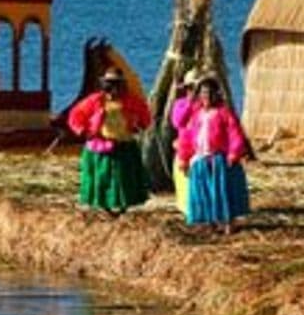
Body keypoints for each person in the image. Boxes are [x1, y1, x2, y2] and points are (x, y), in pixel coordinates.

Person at [66, 66, 152, 214]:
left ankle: (123, 206)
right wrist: (83, 130)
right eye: (110, 84)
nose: (113, 88)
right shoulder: (96, 100)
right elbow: (76, 115)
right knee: (102, 178)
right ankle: (104, 206)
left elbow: (144, 114)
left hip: (124, 144)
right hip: (102, 145)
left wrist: (140, 124)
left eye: (116, 84)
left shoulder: (131, 100)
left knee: (124, 178)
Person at [176, 73, 250, 234]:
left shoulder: (223, 113)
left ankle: (228, 222)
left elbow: (234, 133)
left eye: (209, 93)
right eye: (203, 93)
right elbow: (187, 135)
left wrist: (233, 153)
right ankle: (210, 222)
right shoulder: (196, 114)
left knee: (222, 191)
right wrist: (184, 157)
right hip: (200, 159)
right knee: (204, 191)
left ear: (216, 94)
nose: (206, 96)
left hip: (219, 158)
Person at [170, 67, 202, 213]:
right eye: (190, 87)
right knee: (185, 181)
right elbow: (178, 122)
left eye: (197, 88)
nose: (193, 91)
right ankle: (188, 210)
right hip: (185, 148)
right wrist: (189, 103)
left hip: (202, 149)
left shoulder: (207, 104)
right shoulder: (180, 104)